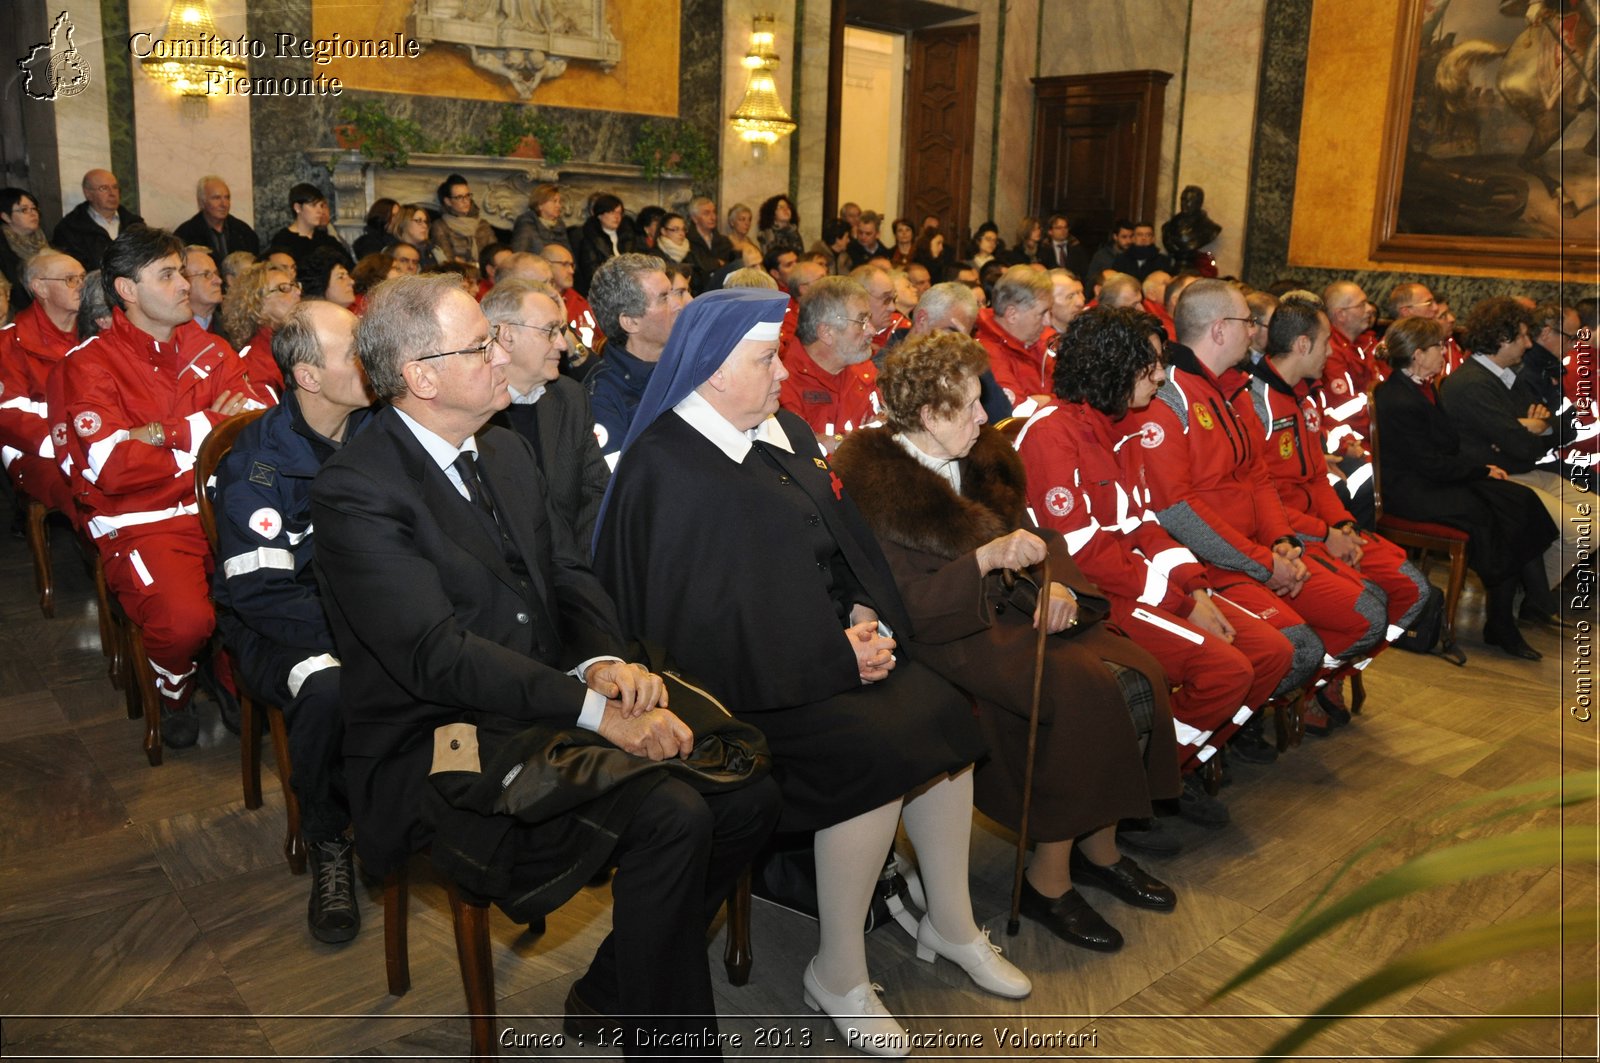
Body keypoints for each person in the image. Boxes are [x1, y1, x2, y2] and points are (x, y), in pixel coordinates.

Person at [310, 274, 780, 1057]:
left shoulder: (503, 449)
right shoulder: (358, 490)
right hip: (437, 738)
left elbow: (566, 574)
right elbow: (438, 657)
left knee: (746, 785)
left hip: (540, 697)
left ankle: (612, 988)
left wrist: (603, 662)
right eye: (481, 344)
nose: (502, 356)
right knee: (672, 813)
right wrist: (595, 711)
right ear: (421, 377)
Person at [594, 288, 1029, 1057]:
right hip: (732, 690)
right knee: (875, 752)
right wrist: (837, 654)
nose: (780, 376)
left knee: (941, 712)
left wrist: (862, 611)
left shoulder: (777, 431)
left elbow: (842, 543)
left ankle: (952, 922)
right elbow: (693, 628)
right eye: (765, 361)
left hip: (821, 653)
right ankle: (838, 971)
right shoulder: (667, 467)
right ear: (708, 369)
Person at [833, 329, 1182, 953]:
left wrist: (1058, 586)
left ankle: (1099, 849)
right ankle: (1048, 880)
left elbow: (1035, 534)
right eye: (968, 405)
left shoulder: (981, 455)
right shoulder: (873, 484)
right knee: (1081, 690)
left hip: (1011, 608)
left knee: (1141, 671)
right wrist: (984, 560)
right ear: (928, 414)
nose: (985, 414)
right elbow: (905, 602)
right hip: (945, 629)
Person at [1016, 306, 1294, 815]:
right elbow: (1084, 554)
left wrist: (1195, 587)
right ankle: (1143, 790)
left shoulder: (1123, 424)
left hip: (1136, 583)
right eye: (1150, 365)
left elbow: (1146, 523)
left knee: (1272, 652)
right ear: (1113, 367)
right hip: (1095, 598)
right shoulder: (1052, 435)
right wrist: (1181, 604)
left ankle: (1171, 766)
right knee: (1227, 670)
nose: (1163, 376)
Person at [59, 226, 274, 746]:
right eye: (169, 274)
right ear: (127, 291)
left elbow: (256, 421)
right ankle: (172, 687)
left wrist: (161, 436)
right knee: (184, 623)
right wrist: (203, 431)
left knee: (275, 596)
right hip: (143, 522)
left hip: (221, 507)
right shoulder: (89, 364)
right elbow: (112, 465)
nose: (186, 285)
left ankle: (229, 676)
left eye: (183, 271)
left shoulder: (211, 347)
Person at [1135, 280, 1388, 704]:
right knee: (1303, 648)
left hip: (1256, 552)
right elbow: (1177, 510)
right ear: (1219, 330)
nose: (1255, 332)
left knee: (1369, 607)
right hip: (1209, 564)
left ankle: (1273, 701)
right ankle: (1221, 725)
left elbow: (1259, 478)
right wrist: (1263, 562)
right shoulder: (1168, 397)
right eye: (1247, 323)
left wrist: (1282, 541)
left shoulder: (1235, 390)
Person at [210, 300, 373, 943]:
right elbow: (262, 594)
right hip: (279, 625)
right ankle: (329, 837)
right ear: (308, 376)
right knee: (327, 683)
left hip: (362, 613)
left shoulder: (380, 433)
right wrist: (363, 639)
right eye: (354, 351)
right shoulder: (258, 466)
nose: (372, 359)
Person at [1243, 297, 1432, 707]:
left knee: (1413, 589)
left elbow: (1314, 476)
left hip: (1323, 527)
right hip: (1286, 535)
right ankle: (1308, 688)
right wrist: (1324, 534)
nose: (1333, 352)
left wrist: (1343, 525)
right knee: (1368, 608)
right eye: (1327, 342)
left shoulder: (1303, 397)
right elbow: (1260, 500)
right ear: (1302, 345)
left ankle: (1336, 669)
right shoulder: (1255, 404)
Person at [1373, 316, 1558, 659]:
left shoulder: (1425, 386)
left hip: (1437, 478)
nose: (1445, 352)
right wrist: (1480, 470)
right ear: (1417, 354)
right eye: (1437, 347)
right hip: (1411, 491)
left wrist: (1480, 469)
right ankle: (1504, 621)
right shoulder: (1396, 397)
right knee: (1491, 517)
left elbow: (1447, 448)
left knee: (1520, 500)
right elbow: (1427, 462)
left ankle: (1519, 607)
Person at [1439, 296, 1587, 621]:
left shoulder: (1506, 376)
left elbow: (1566, 427)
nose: (1529, 343)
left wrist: (1539, 426)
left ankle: (1531, 596)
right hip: (1500, 478)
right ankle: (1527, 598)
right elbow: (1518, 445)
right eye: (1522, 336)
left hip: (1525, 468)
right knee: (1582, 528)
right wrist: (1532, 431)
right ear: (1503, 339)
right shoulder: (1472, 383)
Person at [483, 279, 609, 548]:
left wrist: (577, 570)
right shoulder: (473, 409)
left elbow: (596, 492)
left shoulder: (570, 397)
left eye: (560, 331)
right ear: (506, 336)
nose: (563, 345)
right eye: (550, 331)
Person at [0, 250, 83, 514]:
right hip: (37, 452)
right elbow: (8, 415)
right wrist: (66, 441)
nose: (81, 286)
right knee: (91, 493)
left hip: (98, 440)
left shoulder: (98, 333)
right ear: (40, 288)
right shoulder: (8, 343)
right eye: (70, 279)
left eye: (83, 278)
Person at [584, 254, 678, 467]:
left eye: (674, 294)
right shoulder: (602, 397)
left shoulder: (687, 366)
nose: (678, 305)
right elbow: (619, 489)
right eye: (664, 298)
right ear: (631, 322)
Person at [778, 276, 880, 451]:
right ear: (826, 333)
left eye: (869, 320)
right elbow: (800, 460)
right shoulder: (783, 384)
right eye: (861, 322)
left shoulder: (863, 367)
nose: (872, 330)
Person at [975, 265, 1055, 413]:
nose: (1048, 321)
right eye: (1042, 313)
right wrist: (1055, 402)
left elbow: (1075, 394)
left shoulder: (1041, 338)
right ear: (1012, 314)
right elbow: (1016, 415)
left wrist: (1047, 401)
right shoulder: (986, 354)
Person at [219, 260, 296, 396]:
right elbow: (269, 416)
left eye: (294, 285)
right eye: (284, 288)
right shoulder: (252, 364)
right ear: (257, 304)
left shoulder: (300, 342)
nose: (297, 292)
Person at [52, 169, 143, 272]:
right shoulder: (69, 229)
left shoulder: (135, 225)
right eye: (104, 188)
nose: (112, 193)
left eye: (115, 187)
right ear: (88, 194)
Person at [174, 176, 261, 261]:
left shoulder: (244, 232)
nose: (224, 204)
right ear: (202, 202)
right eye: (216, 198)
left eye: (227, 197)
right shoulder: (185, 235)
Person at [268, 183, 351, 272]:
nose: (320, 211)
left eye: (321, 205)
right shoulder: (283, 241)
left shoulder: (326, 240)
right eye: (313, 205)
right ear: (298, 208)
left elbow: (349, 266)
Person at [429, 174, 496, 266]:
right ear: (448, 201)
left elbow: (495, 255)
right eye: (459, 197)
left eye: (467, 195)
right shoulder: (440, 225)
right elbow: (448, 262)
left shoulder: (482, 224)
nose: (465, 201)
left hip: (486, 275)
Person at [2, 188, 50, 313]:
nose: (33, 213)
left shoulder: (43, 239)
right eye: (24, 210)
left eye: (34, 208)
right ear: (6, 217)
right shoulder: (3, 247)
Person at [575, 193, 631, 296]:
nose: (617, 217)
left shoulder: (627, 236)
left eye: (619, 213)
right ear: (600, 214)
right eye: (611, 212)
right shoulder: (589, 237)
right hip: (603, 290)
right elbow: (592, 271)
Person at [510, 183, 570, 255]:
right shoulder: (527, 223)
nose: (559, 206)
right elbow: (518, 255)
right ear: (540, 205)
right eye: (554, 201)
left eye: (559, 202)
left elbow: (569, 254)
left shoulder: (560, 225)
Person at [686, 196, 735, 281]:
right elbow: (696, 267)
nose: (713, 217)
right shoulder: (687, 241)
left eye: (714, 212)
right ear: (694, 218)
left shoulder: (724, 241)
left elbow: (731, 265)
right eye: (706, 213)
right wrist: (717, 263)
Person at [182, 246, 225, 334]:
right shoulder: (169, 335)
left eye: (216, 273)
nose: (219, 280)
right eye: (206, 274)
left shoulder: (233, 330)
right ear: (184, 281)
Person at [756, 193, 805, 258]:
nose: (786, 209)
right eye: (780, 207)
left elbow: (801, 255)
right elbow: (771, 259)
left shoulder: (793, 231)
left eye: (788, 207)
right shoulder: (768, 233)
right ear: (772, 213)